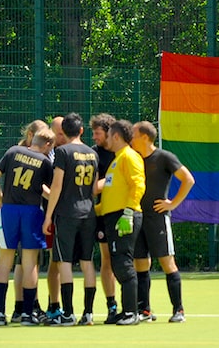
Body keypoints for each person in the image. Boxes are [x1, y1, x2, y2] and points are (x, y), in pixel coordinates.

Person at [0, 128, 55, 326]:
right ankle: (27, 314)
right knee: (29, 264)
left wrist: (0, 199)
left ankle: (0, 314)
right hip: (31, 212)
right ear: (48, 145)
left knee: (3, 264)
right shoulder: (44, 162)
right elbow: (49, 191)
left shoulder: (12, 152)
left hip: (9, 211)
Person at [131, 121, 195, 323]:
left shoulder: (164, 157)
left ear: (144, 137)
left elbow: (188, 179)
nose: (130, 138)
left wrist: (172, 204)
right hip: (137, 217)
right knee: (140, 263)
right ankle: (145, 311)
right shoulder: (133, 158)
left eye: (133, 134)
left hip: (158, 219)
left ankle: (179, 310)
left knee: (167, 263)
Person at [43, 113, 99, 326]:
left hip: (66, 214)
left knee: (64, 262)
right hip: (88, 213)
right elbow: (94, 188)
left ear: (63, 133)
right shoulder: (92, 153)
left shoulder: (63, 151)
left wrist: (48, 216)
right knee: (87, 262)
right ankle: (89, 313)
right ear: (82, 130)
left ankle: (68, 313)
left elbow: (56, 186)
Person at [98, 119, 146, 325]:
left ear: (116, 136)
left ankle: (131, 313)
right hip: (113, 217)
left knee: (124, 264)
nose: (106, 139)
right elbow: (111, 194)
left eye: (108, 136)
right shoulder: (117, 159)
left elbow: (138, 184)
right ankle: (127, 311)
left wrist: (128, 213)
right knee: (118, 264)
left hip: (124, 217)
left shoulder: (129, 156)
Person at [11, 119, 49, 323]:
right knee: (27, 262)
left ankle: (24, 307)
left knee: (26, 262)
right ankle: (27, 306)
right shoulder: (25, 153)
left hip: (26, 212)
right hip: (27, 213)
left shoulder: (22, 151)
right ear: (31, 135)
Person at [89, 113, 119, 324]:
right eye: (93, 133)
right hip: (102, 215)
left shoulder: (123, 152)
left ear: (109, 133)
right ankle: (112, 306)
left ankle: (140, 305)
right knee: (106, 258)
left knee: (131, 259)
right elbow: (93, 187)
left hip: (125, 213)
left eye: (97, 133)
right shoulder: (92, 155)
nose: (95, 137)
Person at [43, 115, 67, 321]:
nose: (62, 136)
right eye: (59, 133)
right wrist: (52, 198)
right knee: (55, 261)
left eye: (64, 132)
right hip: (51, 215)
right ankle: (54, 305)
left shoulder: (76, 151)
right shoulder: (44, 155)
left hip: (73, 215)